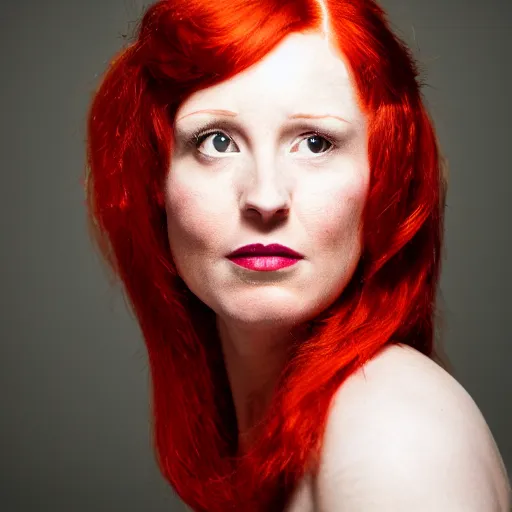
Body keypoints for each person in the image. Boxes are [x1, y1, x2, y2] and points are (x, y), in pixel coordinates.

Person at [84, 0, 511, 510]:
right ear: (156, 180)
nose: (265, 198)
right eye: (217, 141)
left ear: (384, 178)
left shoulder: (393, 434)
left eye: (315, 143)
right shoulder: (308, 432)